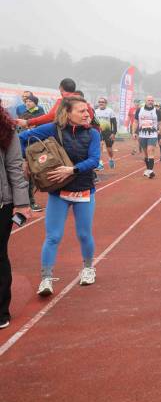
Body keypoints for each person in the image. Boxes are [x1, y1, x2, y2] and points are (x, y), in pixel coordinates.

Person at [19, 96, 100, 296]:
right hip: (58, 191)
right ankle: (46, 278)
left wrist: (71, 170)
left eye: (87, 111)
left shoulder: (93, 134)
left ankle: (89, 268)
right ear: (68, 113)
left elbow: (94, 160)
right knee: (53, 237)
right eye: (81, 111)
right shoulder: (53, 129)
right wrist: (25, 161)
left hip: (83, 189)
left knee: (84, 234)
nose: (86, 114)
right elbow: (21, 139)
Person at [0, 107, 31, 329]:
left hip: (3, 203)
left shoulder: (6, 130)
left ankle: (1, 310)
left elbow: (14, 168)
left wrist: (22, 204)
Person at [18, 95, 46, 212]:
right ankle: (29, 203)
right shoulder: (21, 135)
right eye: (26, 101)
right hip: (22, 160)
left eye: (30, 101)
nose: (27, 103)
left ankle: (28, 202)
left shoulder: (40, 113)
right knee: (26, 181)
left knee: (30, 181)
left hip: (30, 159)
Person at [131, 95, 161, 179]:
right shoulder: (139, 110)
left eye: (152, 100)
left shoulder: (157, 111)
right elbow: (135, 122)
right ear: (145, 101)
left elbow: (160, 124)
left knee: (150, 150)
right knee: (146, 153)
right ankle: (148, 170)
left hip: (153, 135)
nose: (150, 102)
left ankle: (150, 171)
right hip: (142, 135)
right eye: (149, 100)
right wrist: (134, 132)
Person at [94, 97, 118, 169]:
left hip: (108, 133)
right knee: (100, 146)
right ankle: (100, 163)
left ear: (106, 103)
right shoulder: (96, 111)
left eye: (102, 102)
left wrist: (114, 133)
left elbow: (114, 123)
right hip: (99, 132)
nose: (101, 103)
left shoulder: (110, 111)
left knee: (109, 149)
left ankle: (111, 159)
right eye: (99, 102)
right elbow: (94, 123)